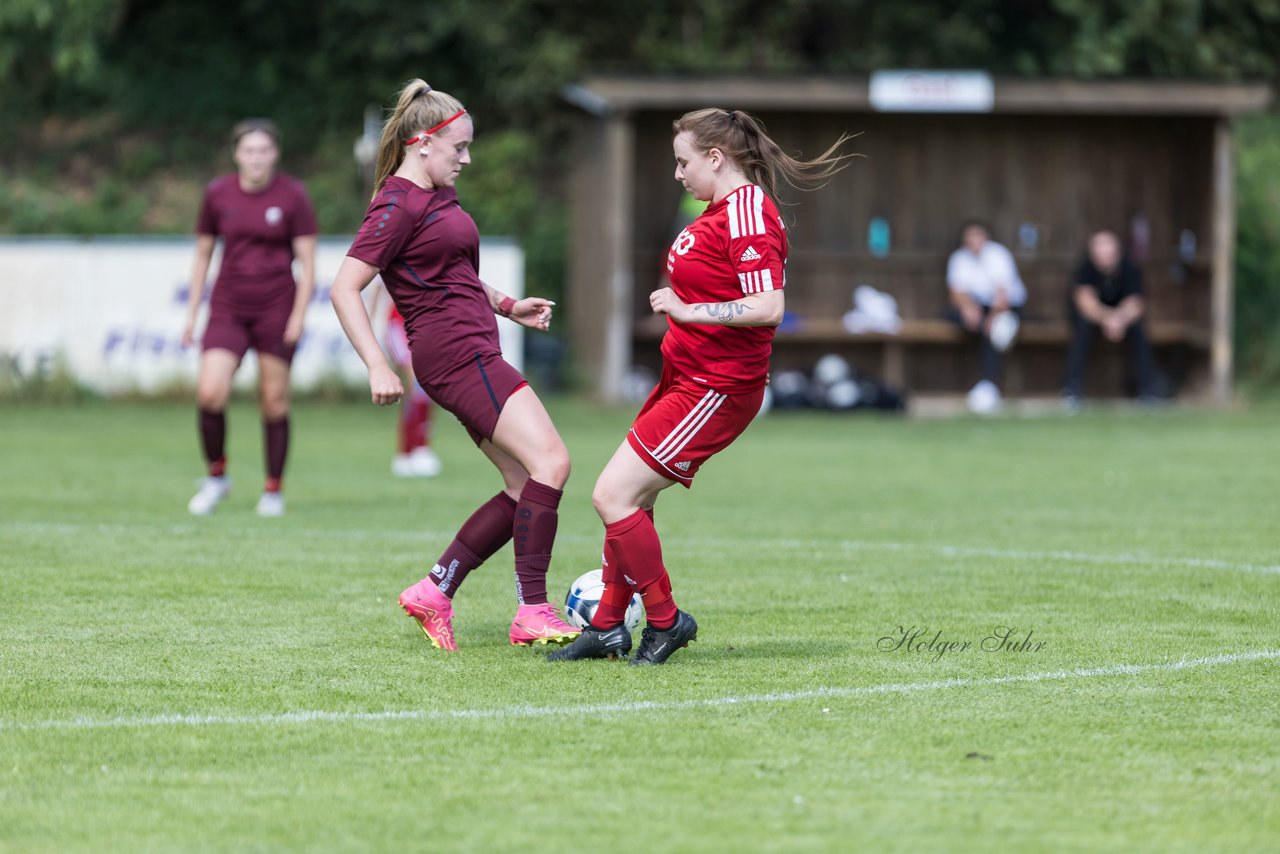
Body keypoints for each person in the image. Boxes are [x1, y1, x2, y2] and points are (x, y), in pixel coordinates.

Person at [549, 108, 856, 666]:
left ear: (716, 159)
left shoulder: (747, 212)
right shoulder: (722, 210)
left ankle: (665, 622)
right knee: (632, 499)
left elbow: (768, 307)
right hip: (683, 379)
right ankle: (610, 625)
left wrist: (690, 310)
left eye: (683, 162)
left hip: (715, 387)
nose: (677, 173)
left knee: (611, 496)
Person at [329, 79, 579, 651]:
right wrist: (377, 365)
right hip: (454, 354)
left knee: (524, 482)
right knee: (552, 462)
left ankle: (434, 591)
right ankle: (534, 610)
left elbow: (452, 272)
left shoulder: (436, 194)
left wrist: (508, 306)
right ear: (423, 143)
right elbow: (344, 289)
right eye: (458, 148)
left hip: (473, 345)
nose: (466, 159)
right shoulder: (396, 202)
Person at [183, 119, 317, 517]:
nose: (256, 158)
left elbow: (308, 263)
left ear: (274, 154)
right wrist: (192, 314)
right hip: (228, 306)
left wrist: (299, 314)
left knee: (273, 402)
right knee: (210, 393)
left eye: (264, 150)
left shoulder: (293, 196)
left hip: (276, 306)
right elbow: (203, 255)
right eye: (249, 150)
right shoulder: (218, 193)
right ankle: (216, 477)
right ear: (236, 154)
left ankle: (273, 489)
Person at [1062, 229, 1157, 407]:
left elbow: (1136, 303)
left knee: (1139, 330)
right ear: (1093, 253)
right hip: (1095, 318)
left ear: (1117, 251)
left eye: (1108, 250)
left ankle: (1147, 391)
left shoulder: (1129, 267)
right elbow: (1085, 302)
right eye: (1099, 250)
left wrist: (1119, 319)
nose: (1104, 255)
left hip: (1122, 319)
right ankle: (1072, 390)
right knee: (1081, 329)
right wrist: (1107, 318)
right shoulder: (1085, 268)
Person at [945, 220, 1027, 414]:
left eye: (977, 236)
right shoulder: (959, 258)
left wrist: (992, 318)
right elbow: (957, 292)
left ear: (986, 238)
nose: (974, 241)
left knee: (994, 331)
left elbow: (1003, 294)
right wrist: (967, 308)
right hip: (977, 307)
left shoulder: (998, 255)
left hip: (1006, 307)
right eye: (970, 237)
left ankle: (989, 387)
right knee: (953, 316)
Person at [373, 283, 442, 477]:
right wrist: (371, 324)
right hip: (397, 326)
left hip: (421, 326)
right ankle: (406, 452)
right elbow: (378, 287)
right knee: (418, 383)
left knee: (427, 388)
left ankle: (419, 449)